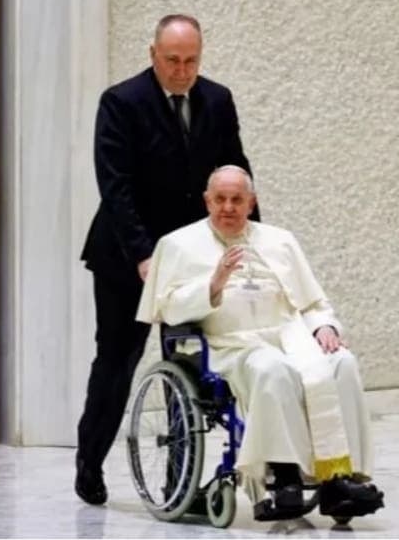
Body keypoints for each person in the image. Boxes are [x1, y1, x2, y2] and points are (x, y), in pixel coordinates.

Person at [136, 165, 385, 521]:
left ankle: (340, 478)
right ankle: (284, 477)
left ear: (251, 203)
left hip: (291, 336)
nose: (228, 207)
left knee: (341, 361)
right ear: (207, 201)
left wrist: (323, 327)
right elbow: (168, 308)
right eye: (220, 199)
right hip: (230, 345)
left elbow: (313, 303)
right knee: (273, 368)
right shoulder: (177, 244)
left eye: (237, 199)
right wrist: (214, 283)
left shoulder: (280, 240)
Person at [76, 14, 256, 504]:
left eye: (191, 60)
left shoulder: (216, 100)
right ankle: (89, 461)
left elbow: (236, 171)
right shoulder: (121, 102)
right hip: (126, 254)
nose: (182, 70)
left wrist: (252, 241)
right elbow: (115, 185)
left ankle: (181, 479)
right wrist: (142, 255)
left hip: (192, 253)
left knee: (189, 361)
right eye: (173, 60)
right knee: (119, 359)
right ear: (153, 53)